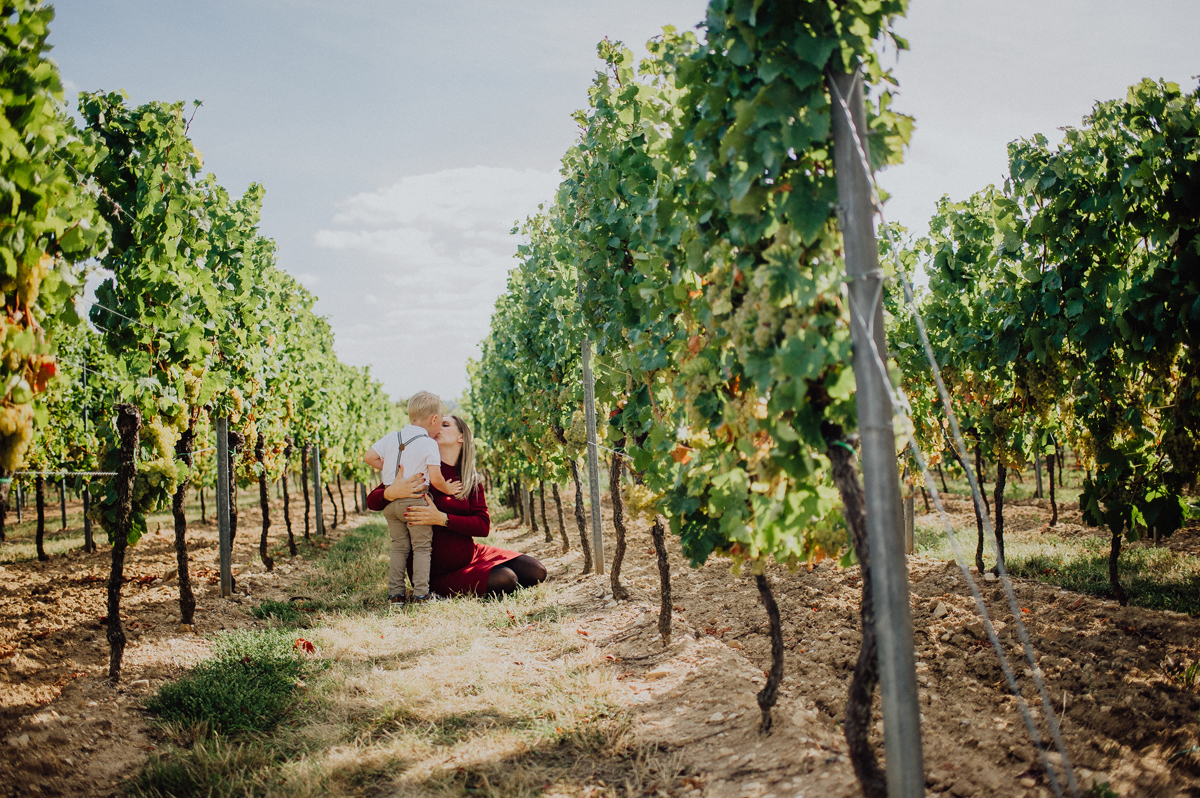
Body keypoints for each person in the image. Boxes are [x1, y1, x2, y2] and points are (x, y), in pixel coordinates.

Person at [367, 414, 547, 597]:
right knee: (506, 579)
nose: (437, 428)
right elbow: (372, 501)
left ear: (461, 437)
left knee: (536, 571)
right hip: (434, 573)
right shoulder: (421, 470)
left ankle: (483, 573)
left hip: (473, 555)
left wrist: (441, 519)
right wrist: (390, 493)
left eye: (445, 425)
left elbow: (483, 526)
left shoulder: (469, 478)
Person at [367, 391, 459, 607]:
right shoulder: (428, 444)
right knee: (421, 547)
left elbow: (369, 457)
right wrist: (448, 488)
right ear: (433, 419)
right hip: (415, 502)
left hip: (391, 504)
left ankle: (396, 596)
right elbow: (435, 479)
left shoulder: (392, 437)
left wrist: (389, 467)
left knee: (399, 547)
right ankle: (421, 594)